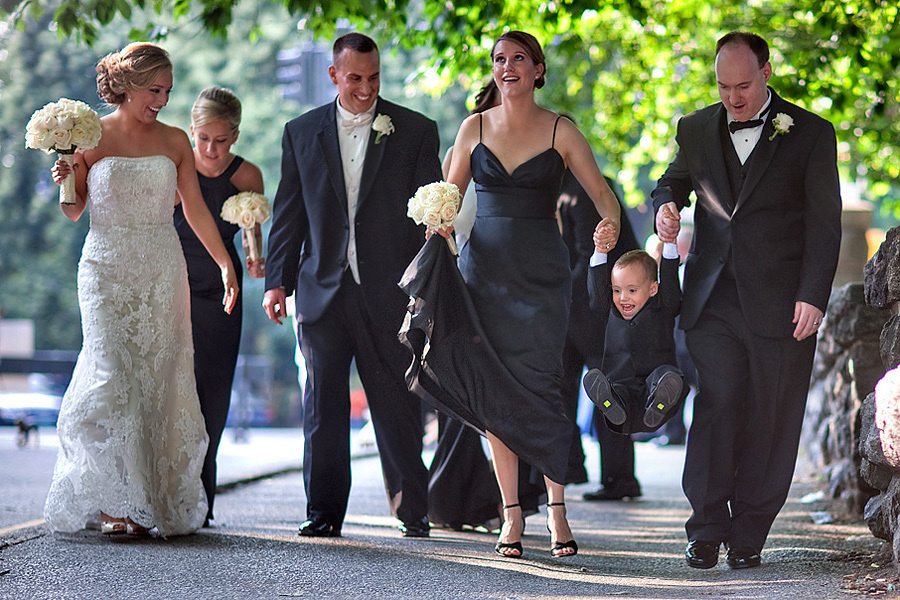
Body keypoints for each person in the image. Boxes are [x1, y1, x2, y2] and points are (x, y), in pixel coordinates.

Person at [426, 30, 622, 558]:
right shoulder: (473, 128)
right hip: (483, 277)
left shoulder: (561, 130)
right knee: (495, 393)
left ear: (537, 69)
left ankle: (557, 508)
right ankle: (511, 516)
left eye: (518, 59)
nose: (507, 67)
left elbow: (605, 197)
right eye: (498, 59)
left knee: (544, 388)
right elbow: (447, 203)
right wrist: (436, 227)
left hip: (541, 278)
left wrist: (609, 226)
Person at [651, 31, 841, 570]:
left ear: (766, 71)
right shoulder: (694, 128)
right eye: (722, 86)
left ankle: (751, 528)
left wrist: (812, 296)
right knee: (716, 403)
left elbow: (825, 227)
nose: (732, 98)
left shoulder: (811, 133)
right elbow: (670, 184)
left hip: (784, 304)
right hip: (712, 300)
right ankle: (706, 528)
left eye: (742, 86)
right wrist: (666, 207)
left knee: (772, 415)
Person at [44, 42, 239, 538]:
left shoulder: (175, 141)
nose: (163, 100)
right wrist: (66, 177)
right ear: (127, 87)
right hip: (105, 267)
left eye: (168, 91)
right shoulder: (89, 135)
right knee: (112, 374)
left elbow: (194, 210)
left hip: (160, 268)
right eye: (155, 90)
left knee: (157, 381)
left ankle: (148, 498)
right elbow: (73, 211)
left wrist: (225, 265)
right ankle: (114, 504)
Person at [262, 32, 441, 539]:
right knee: (323, 406)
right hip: (321, 290)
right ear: (334, 75)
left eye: (374, 77)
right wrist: (277, 282)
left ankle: (412, 509)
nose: (366, 89)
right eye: (355, 78)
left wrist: (429, 278)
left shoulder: (415, 130)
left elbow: (431, 209)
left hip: (391, 291)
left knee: (397, 402)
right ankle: (323, 512)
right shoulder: (300, 133)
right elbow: (288, 215)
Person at [174, 86, 265, 527]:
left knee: (212, 396)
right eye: (203, 138)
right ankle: (167, 492)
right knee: (173, 393)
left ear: (235, 136)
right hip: (171, 287)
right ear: (191, 131)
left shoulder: (247, 176)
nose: (211, 150)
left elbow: (253, 236)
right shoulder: (173, 166)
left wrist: (255, 256)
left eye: (221, 140)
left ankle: (201, 499)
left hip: (221, 294)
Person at [556, 172, 644, 500]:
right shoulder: (577, 186)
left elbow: (590, 257)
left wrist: (555, 294)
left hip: (595, 310)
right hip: (578, 309)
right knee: (565, 387)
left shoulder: (583, 189)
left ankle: (618, 479)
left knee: (607, 394)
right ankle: (572, 466)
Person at [582, 239, 687, 436]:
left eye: (632, 290)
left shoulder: (663, 306)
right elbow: (596, 295)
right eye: (616, 290)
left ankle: (659, 403)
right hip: (622, 381)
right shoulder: (610, 310)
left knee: (665, 376)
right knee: (618, 393)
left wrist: (671, 245)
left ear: (653, 289)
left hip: (654, 380)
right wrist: (599, 252)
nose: (623, 298)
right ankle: (610, 403)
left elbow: (671, 286)